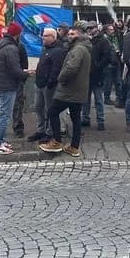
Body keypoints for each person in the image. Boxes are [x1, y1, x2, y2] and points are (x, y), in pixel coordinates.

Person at [40, 23, 92, 157]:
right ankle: (74, 147)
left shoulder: (78, 49)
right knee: (75, 118)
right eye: (69, 34)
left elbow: (71, 68)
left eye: (73, 34)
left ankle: (57, 141)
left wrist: (60, 78)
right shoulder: (82, 47)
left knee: (52, 111)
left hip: (70, 89)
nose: (69, 36)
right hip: (78, 90)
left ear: (80, 35)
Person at [0, 24, 27, 154]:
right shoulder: (11, 48)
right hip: (8, 86)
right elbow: (15, 70)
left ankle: (1, 140)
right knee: (4, 116)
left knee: (1, 115)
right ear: (17, 35)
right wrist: (27, 73)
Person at [28, 28, 66, 143]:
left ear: (53, 37)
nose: (42, 37)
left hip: (48, 86)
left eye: (45, 36)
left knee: (49, 109)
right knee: (38, 108)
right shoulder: (45, 49)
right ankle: (41, 130)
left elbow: (56, 68)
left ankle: (50, 132)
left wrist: (50, 82)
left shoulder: (58, 50)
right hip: (39, 83)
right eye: (42, 35)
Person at [83, 21, 109, 130]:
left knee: (98, 99)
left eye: (91, 28)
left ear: (96, 28)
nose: (89, 30)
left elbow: (107, 56)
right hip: (86, 74)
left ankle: (100, 120)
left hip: (97, 74)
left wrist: (98, 66)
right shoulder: (85, 40)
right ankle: (85, 118)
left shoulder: (103, 40)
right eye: (88, 28)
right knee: (85, 99)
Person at [8, 23, 30, 139]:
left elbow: (24, 64)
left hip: (15, 81)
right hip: (10, 81)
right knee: (15, 105)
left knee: (16, 105)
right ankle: (17, 128)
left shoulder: (20, 47)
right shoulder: (13, 46)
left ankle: (17, 128)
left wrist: (23, 78)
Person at [102, 24, 123, 106]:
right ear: (106, 31)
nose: (112, 31)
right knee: (108, 83)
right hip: (109, 64)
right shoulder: (104, 39)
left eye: (112, 29)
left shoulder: (114, 38)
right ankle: (107, 98)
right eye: (110, 29)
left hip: (116, 62)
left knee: (118, 81)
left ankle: (119, 97)